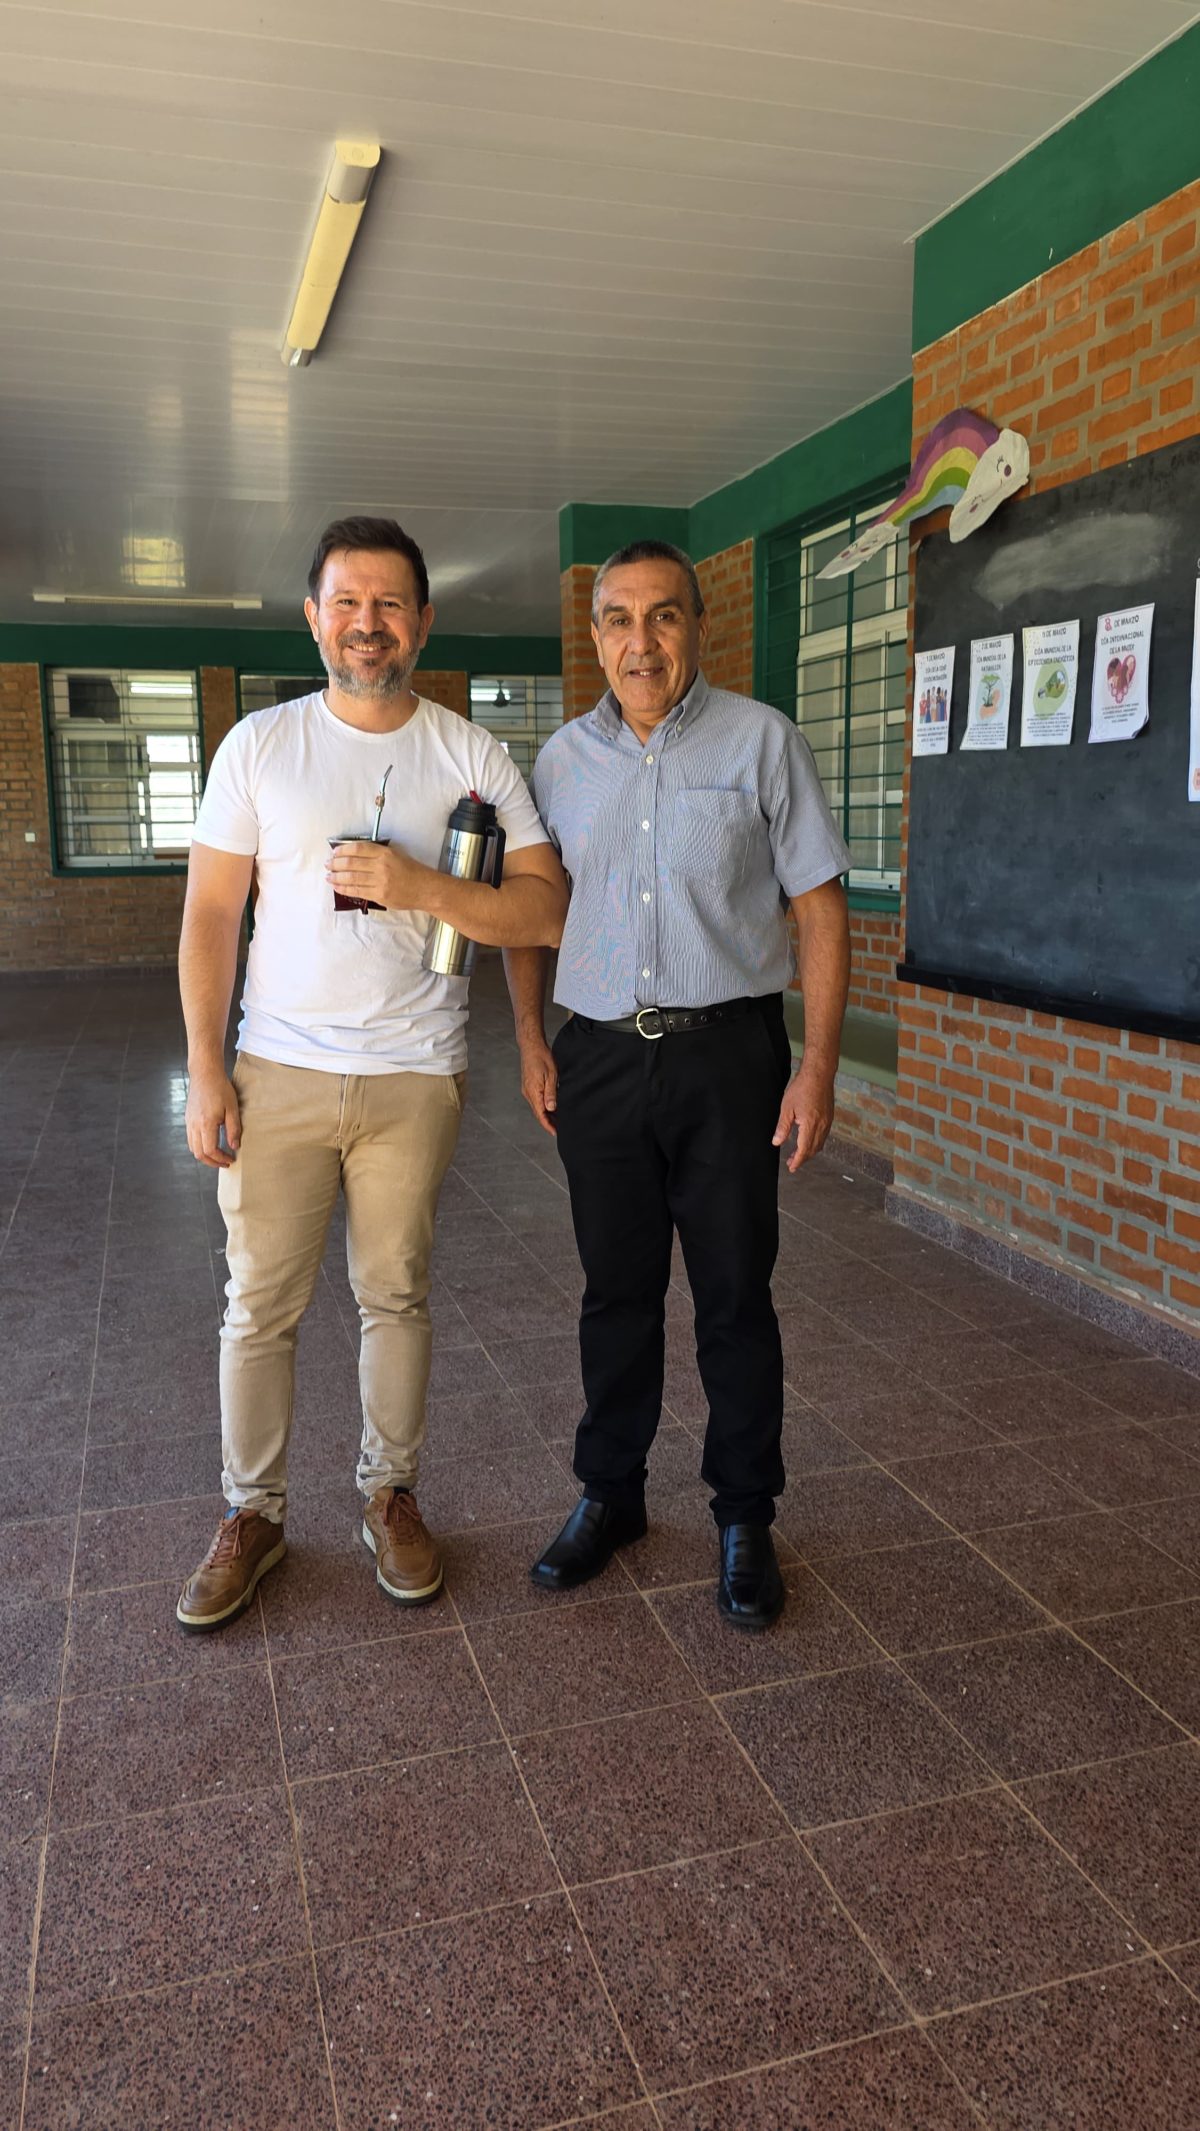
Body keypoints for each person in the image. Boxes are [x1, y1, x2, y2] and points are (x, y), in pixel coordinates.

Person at [176, 516, 568, 1631]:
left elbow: (539, 908)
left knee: (394, 1294)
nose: (367, 623)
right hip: (280, 1070)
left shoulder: (471, 754)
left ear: (423, 621)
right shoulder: (260, 745)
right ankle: (251, 1515)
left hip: (414, 1075)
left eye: (390, 603)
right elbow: (210, 914)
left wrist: (418, 885)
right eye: (346, 602)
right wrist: (208, 1068)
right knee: (259, 1306)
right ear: (313, 617)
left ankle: (389, 1494)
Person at [505, 539, 850, 1632]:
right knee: (615, 1293)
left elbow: (820, 910)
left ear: (697, 627)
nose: (639, 641)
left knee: (735, 1296)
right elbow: (529, 909)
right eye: (617, 618)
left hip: (729, 1056)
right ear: (595, 634)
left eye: (662, 617)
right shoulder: (559, 763)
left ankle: (746, 1513)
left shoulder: (763, 743)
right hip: (600, 1055)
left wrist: (818, 1064)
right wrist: (528, 1032)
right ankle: (611, 1492)